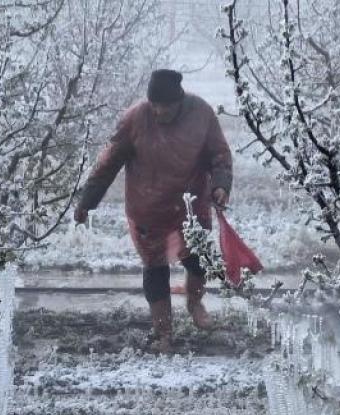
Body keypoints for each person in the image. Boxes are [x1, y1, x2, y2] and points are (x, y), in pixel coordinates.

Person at [74, 69, 233, 353]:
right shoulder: (135, 119)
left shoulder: (201, 114)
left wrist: (221, 185)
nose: (159, 112)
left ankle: (195, 303)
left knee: (198, 261)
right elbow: (108, 162)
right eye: (154, 105)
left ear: (179, 101)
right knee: (155, 268)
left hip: (190, 205)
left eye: (166, 106)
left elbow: (219, 155)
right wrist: (87, 201)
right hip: (147, 208)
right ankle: (163, 332)